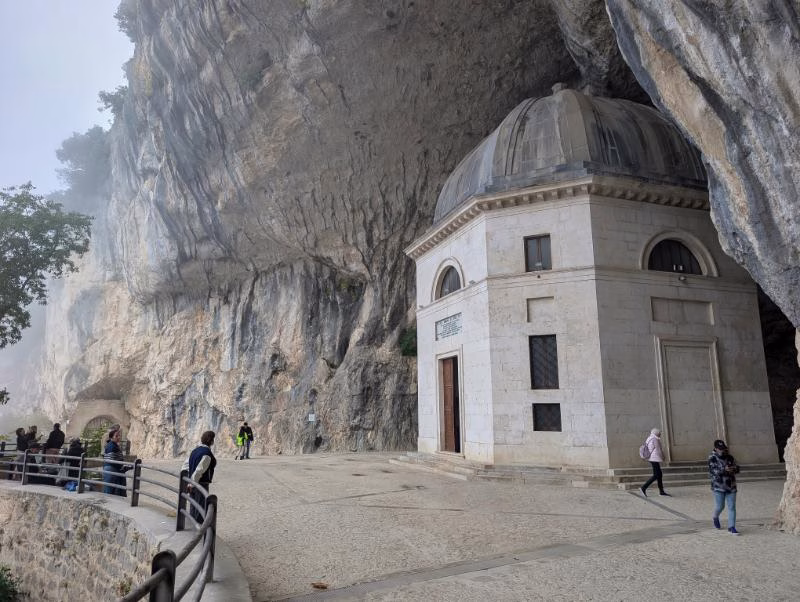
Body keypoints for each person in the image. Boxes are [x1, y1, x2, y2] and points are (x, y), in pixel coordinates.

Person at [709, 439, 740, 534]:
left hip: (731, 486)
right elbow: (714, 472)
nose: (722, 450)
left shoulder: (730, 457)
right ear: (715, 448)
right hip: (718, 486)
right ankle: (715, 516)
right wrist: (725, 469)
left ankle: (732, 527)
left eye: (723, 448)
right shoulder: (712, 458)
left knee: (732, 507)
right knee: (720, 506)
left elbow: (738, 468)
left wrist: (734, 469)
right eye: (720, 449)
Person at [185, 431, 217, 524]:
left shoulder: (195, 451)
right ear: (211, 441)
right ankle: (199, 529)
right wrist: (192, 483)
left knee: (193, 505)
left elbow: (186, 465)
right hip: (200, 483)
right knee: (200, 507)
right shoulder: (206, 454)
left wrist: (189, 482)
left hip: (192, 482)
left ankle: (192, 526)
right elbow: (199, 470)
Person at [640, 428, 670, 497]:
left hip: (652, 459)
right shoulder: (655, 439)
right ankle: (643, 488)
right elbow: (658, 449)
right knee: (657, 475)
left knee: (659, 474)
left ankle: (661, 491)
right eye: (659, 433)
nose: (660, 435)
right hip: (654, 458)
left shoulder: (649, 438)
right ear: (656, 433)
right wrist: (663, 457)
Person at [102, 427, 130, 497]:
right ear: (111, 437)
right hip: (111, 470)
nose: (118, 437)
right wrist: (122, 467)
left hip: (112, 469)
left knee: (112, 490)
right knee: (110, 491)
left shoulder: (113, 445)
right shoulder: (112, 446)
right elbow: (112, 460)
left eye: (119, 435)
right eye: (116, 436)